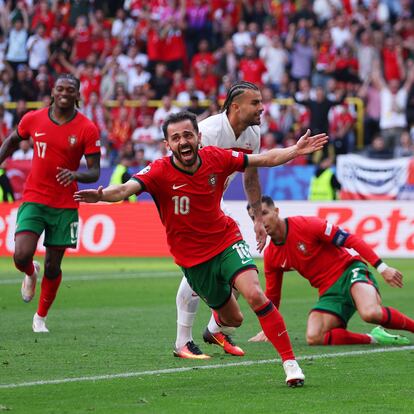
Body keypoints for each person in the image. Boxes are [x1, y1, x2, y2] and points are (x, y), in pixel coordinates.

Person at [75, 111, 328, 387]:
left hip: (226, 240)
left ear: (198, 138)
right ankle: (213, 329)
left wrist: (295, 150)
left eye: (187, 135)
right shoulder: (159, 171)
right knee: (235, 318)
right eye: (176, 138)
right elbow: (125, 190)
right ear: (167, 145)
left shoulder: (216, 158)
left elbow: (263, 159)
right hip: (194, 260)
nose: (183, 141)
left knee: (255, 294)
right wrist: (101, 196)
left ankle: (290, 364)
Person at [0, 74, 101, 333]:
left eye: (70, 89)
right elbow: (12, 140)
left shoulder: (87, 128)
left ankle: (40, 317)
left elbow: (94, 172)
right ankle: (30, 272)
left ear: (77, 94)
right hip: (34, 197)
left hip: (65, 204)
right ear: (53, 92)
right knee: (21, 254)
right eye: (60, 88)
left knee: (54, 265)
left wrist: (76, 174)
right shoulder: (33, 118)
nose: (65, 93)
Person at [174, 81, 267, 360]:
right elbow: (182, 169)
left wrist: (258, 218)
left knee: (231, 271)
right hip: (191, 204)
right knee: (203, 267)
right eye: (256, 103)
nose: (262, 108)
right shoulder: (210, 132)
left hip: (214, 203)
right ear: (235, 107)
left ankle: (211, 330)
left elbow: (250, 176)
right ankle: (185, 341)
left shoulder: (253, 134)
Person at [247, 196, 414, 346]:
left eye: (264, 213)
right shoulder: (271, 255)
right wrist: (268, 327)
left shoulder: (307, 225)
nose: (260, 221)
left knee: (370, 313)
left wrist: (382, 267)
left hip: (350, 272)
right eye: (254, 218)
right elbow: (273, 295)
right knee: (314, 337)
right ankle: (375, 338)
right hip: (328, 292)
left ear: (276, 211)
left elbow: (351, 239)